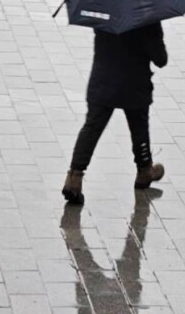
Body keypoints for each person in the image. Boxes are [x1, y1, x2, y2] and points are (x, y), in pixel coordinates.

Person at [62, 23, 168, 205]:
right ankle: (144, 170)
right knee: (139, 126)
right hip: (135, 84)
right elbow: (160, 59)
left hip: (103, 81)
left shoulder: (106, 10)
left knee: (92, 127)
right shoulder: (147, 17)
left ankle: (74, 177)